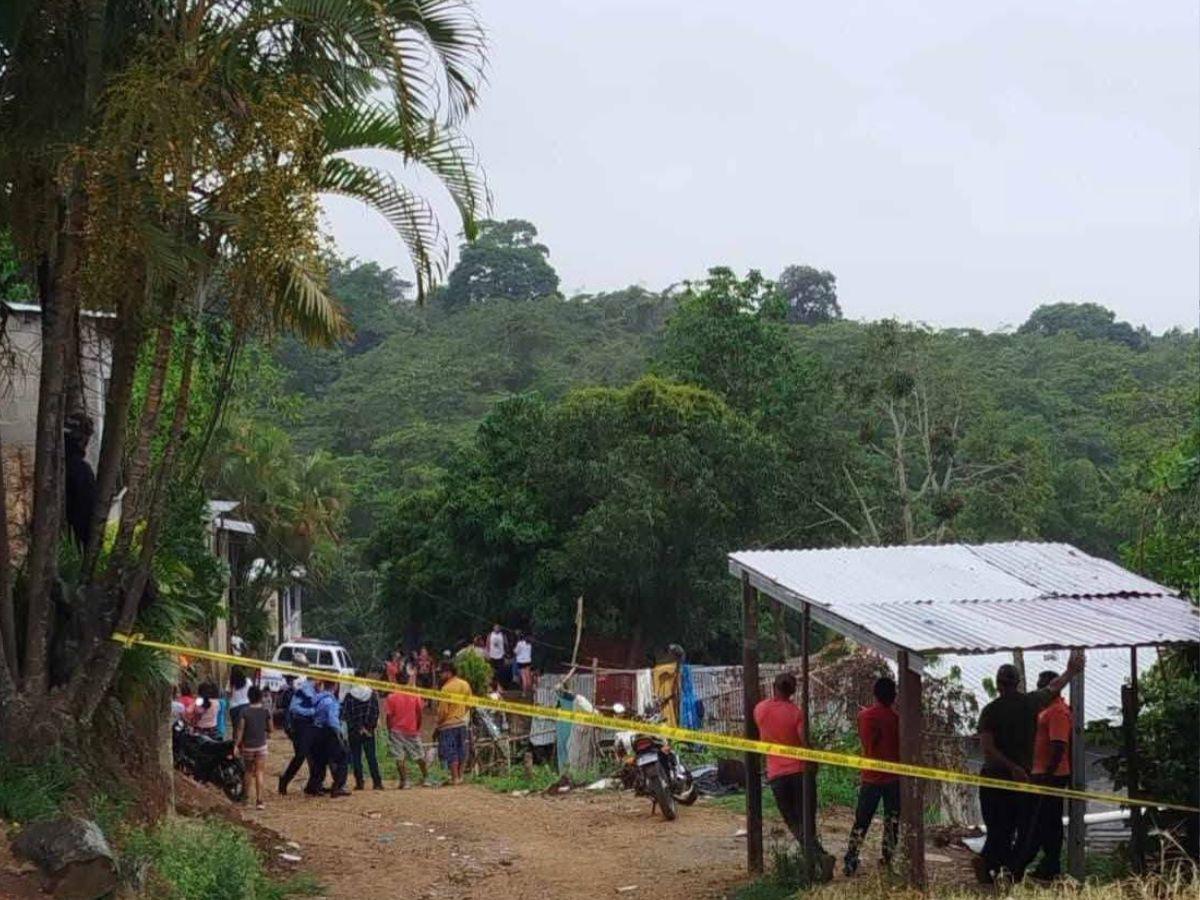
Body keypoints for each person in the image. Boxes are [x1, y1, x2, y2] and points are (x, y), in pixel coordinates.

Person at [975, 651, 1083, 883]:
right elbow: (1054, 687)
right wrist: (1071, 671)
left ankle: (993, 869)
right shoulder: (1030, 704)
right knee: (1020, 829)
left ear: (998, 685)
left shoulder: (990, 711)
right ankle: (999, 870)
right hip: (1022, 779)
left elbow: (987, 747)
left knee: (1000, 830)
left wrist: (1010, 766)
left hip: (995, 779)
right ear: (1018, 683)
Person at [844, 676, 901, 876]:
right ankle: (887, 859)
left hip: (870, 777)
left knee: (861, 820)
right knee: (892, 822)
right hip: (893, 778)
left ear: (875, 694)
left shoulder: (864, 716)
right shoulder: (896, 720)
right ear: (893, 696)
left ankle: (851, 859)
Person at [1023, 670, 1073, 880]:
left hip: (1051, 776)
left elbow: (1059, 745)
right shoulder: (1046, 709)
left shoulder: (1057, 712)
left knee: (1046, 822)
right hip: (1042, 774)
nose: (1040, 689)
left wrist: (1047, 776)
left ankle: (1049, 864)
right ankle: (1046, 864)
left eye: (1044, 685)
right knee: (1043, 821)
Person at [752, 672, 811, 847]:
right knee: (806, 818)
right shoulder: (797, 713)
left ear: (773, 687)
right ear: (793, 691)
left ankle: (815, 856)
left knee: (792, 820)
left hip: (776, 774)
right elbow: (805, 742)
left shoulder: (760, 709)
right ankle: (816, 855)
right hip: (799, 772)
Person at [279, 655, 319, 795]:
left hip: (309, 724)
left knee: (313, 755)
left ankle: (314, 786)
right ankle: (284, 781)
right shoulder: (300, 686)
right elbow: (294, 708)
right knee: (301, 755)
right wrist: (312, 711)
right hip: (299, 725)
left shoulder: (309, 686)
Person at [385, 669, 430, 788]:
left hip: (396, 730)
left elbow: (389, 716)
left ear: (395, 681)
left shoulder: (391, 697)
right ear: (407, 681)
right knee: (420, 755)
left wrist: (389, 730)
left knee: (399, 757)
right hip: (412, 730)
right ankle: (426, 778)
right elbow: (419, 713)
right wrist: (418, 726)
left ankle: (405, 781)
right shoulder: (415, 695)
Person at [342, 670, 384, 791]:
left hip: (354, 731)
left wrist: (358, 727)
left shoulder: (349, 695)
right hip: (369, 731)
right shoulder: (371, 694)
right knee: (371, 756)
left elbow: (345, 715)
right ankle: (377, 782)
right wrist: (368, 727)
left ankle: (359, 783)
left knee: (356, 757)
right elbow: (375, 712)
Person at [434, 661, 472, 785]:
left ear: (449, 673)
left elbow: (443, 711)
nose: (440, 675)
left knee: (451, 751)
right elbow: (469, 704)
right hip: (461, 722)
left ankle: (454, 778)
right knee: (462, 750)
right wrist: (461, 713)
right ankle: (460, 777)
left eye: (442, 673)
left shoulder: (446, 688)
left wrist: (438, 723)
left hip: (448, 725)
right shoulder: (465, 684)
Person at [234, 686, 272, 810]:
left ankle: (245, 798)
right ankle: (260, 801)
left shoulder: (244, 711)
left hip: (248, 746)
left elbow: (240, 730)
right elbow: (271, 729)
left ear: (249, 697)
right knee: (260, 772)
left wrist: (236, 745)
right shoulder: (265, 711)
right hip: (262, 746)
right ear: (261, 697)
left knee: (248, 771)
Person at [311, 680, 351, 798]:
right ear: (335, 685)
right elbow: (332, 720)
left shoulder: (318, 698)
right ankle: (338, 787)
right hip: (329, 732)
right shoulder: (331, 701)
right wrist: (340, 735)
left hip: (317, 731)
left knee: (320, 760)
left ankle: (315, 786)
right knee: (343, 757)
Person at [228, 667, 250, 737]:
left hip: (234, 707)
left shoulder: (231, 682)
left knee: (235, 728)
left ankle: (235, 744)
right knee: (245, 728)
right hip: (246, 706)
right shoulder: (248, 681)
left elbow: (229, 695)